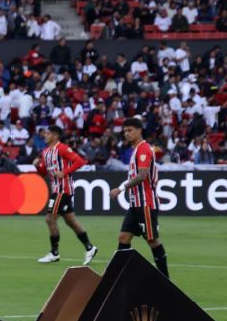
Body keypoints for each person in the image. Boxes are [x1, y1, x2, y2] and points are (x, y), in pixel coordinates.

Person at [111, 117, 169, 278]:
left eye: (130, 130)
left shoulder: (144, 149)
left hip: (146, 204)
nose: (127, 134)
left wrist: (121, 188)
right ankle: (120, 277)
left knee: (152, 240)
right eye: (125, 131)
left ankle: (166, 279)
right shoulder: (136, 150)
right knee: (123, 237)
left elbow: (142, 176)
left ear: (139, 131)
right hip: (135, 204)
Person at [35, 125, 98, 265]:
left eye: (47, 133)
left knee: (49, 219)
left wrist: (65, 172)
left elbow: (80, 161)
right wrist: (37, 166)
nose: (45, 135)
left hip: (63, 189)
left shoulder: (62, 148)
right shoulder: (45, 151)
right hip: (56, 189)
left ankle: (54, 253)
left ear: (55, 136)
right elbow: (44, 173)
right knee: (70, 221)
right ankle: (90, 247)